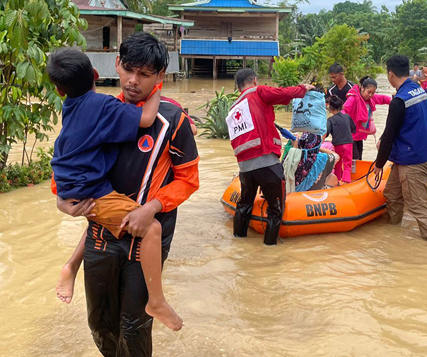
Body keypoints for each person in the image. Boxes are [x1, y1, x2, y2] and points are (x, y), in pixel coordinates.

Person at [54, 32, 199, 356]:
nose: (133, 81)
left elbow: (188, 180)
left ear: (160, 76)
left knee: (134, 327)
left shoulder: (173, 120)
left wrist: (152, 207)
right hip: (101, 237)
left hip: (144, 239)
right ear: (117, 65)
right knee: (100, 324)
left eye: (145, 74)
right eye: (128, 70)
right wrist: (62, 201)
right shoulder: (98, 110)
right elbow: (66, 161)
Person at [229, 68, 314, 245]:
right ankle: (269, 249)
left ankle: (238, 243)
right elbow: (282, 93)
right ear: (254, 81)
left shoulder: (234, 107)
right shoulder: (258, 91)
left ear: (238, 88)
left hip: (245, 169)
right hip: (267, 163)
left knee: (244, 206)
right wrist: (303, 88)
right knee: (275, 209)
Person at [375, 55, 427, 242]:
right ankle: (393, 235)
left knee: (418, 205)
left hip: (412, 161)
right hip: (412, 154)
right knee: (392, 195)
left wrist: (379, 164)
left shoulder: (398, 101)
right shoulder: (419, 90)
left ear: (390, 74)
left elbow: (388, 136)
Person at [342, 76, 391, 161]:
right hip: (350, 136)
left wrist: (395, 100)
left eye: (373, 93)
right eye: (369, 92)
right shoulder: (353, 99)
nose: (370, 95)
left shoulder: (371, 98)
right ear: (362, 88)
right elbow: (343, 111)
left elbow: (383, 98)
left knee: (359, 159)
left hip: (359, 136)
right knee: (355, 160)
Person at [325, 96, 355, 184]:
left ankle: (337, 181)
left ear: (330, 108)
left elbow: (326, 133)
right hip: (348, 143)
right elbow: (353, 129)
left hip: (337, 144)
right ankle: (346, 181)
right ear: (341, 106)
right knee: (347, 164)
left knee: (337, 164)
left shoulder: (330, 120)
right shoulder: (347, 117)